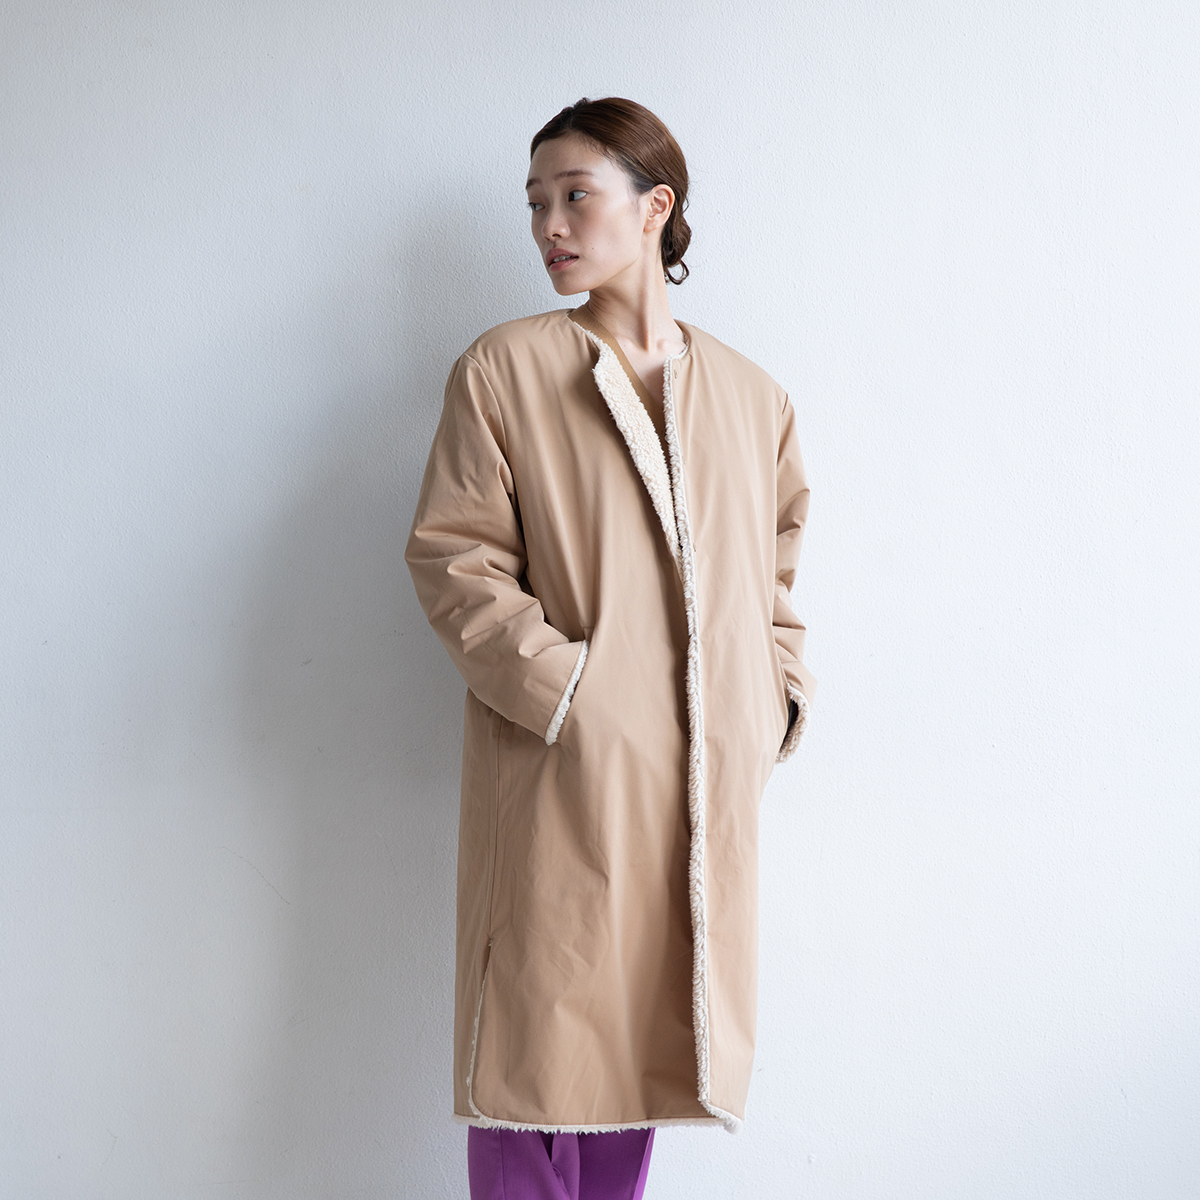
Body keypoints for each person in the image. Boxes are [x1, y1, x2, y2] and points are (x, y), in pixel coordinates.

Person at [405, 96, 817, 1200]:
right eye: (535, 203)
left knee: (644, 1056)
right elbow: (455, 559)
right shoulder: (505, 370)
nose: (549, 224)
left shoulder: (751, 397)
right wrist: (569, 695)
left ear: (654, 207)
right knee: (533, 1061)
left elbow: (774, 579)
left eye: (575, 195)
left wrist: (771, 702)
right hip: (563, 774)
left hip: (698, 782)